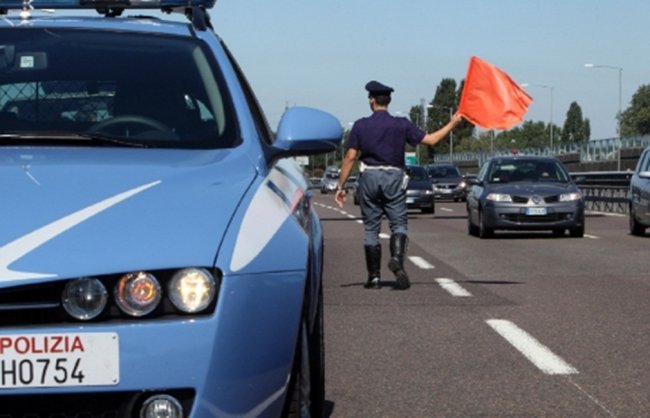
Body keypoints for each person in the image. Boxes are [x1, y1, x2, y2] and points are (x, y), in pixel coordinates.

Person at [334, 80, 463, 290]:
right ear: (389, 100)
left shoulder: (360, 126)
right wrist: (452, 124)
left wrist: (341, 187)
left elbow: (349, 157)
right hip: (394, 177)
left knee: (371, 228)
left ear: (371, 100)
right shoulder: (401, 125)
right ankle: (396, 258)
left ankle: (374, 278)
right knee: (399, 224)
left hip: (369, 176)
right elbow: (430, 140)